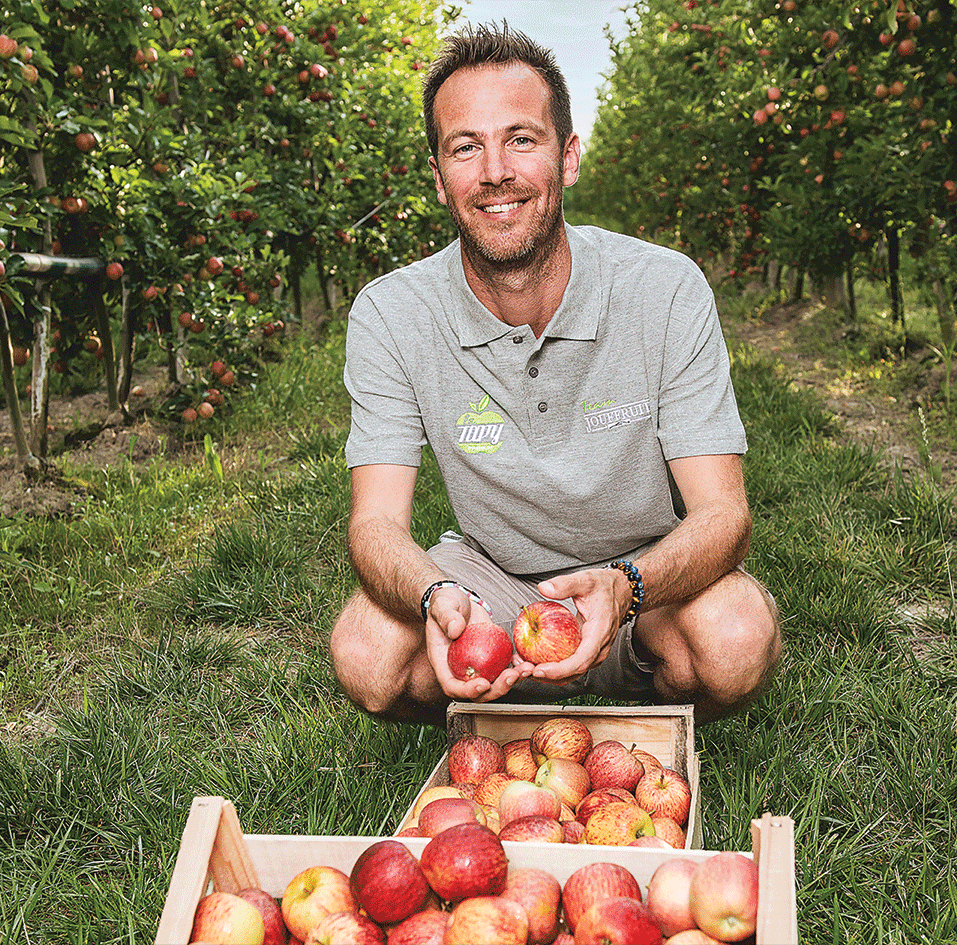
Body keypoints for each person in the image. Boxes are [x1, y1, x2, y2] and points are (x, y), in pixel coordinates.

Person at [330, 22, 780, 725]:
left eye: (521, 138)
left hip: (643, 583)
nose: (494, 171)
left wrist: (627, 586)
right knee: (366, 651)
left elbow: (724, 515)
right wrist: (434, 598)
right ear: (439, 176)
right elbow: (375, 525)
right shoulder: (391, 313)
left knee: (734, 640)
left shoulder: (665, 289)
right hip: (492, 584)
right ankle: (508, 697)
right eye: (465, 147)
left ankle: (632, 695)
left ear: (567, 158)